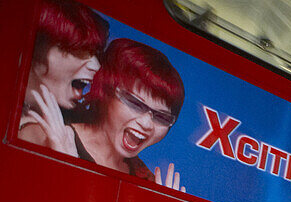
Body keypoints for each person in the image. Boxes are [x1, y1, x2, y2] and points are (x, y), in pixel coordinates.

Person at [56, 39, 185, 188]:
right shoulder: (48, 134)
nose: (146, 124)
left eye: (161, 117)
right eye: (135, 104)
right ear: (106, 92)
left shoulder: (146, 180)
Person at [19, 0, 109, 150]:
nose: (97, 66)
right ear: (35, 47)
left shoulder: (83, 123)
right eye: (79, 49)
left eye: (96, 54)